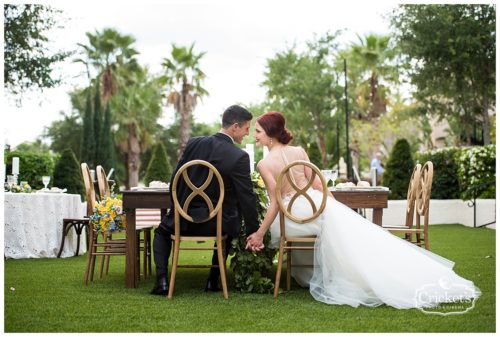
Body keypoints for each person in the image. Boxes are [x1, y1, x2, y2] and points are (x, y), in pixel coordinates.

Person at [246, 111, 480, 309]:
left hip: (293, 213)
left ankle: (315, 274)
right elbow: (318, 184)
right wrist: (332, 207)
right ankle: (318, 271)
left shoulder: (264, 163)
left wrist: (259, 232)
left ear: (270, 133)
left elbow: (275, 202)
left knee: (280, 229)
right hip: (316, 203)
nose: (255, 136)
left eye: (257, 131)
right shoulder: (299, 152)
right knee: (337, 225)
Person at [150, 105, 260, 295]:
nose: (247, 134)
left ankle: (162, 282)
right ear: (235, 127)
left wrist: (178, 210)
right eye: (246, 128)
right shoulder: (239, 156)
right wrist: (253, 230)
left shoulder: (194, 143)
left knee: (161, 231)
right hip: (216, 224)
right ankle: (213, 280)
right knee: (229, 220)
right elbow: (246, 197)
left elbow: (175, 180)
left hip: (182, 221)